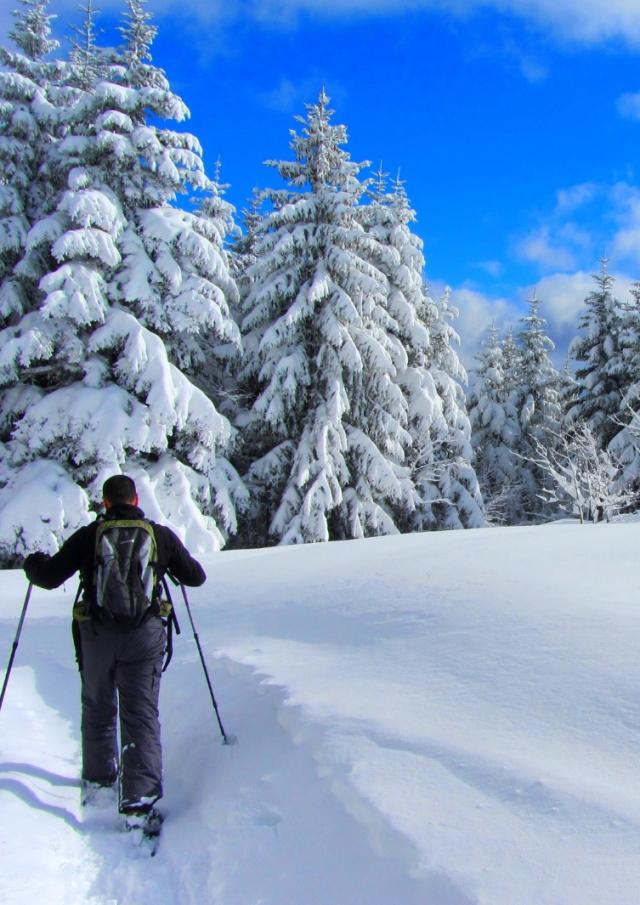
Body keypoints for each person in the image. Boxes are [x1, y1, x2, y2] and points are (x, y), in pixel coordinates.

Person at [24, 474, 206, 824]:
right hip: (144, 635)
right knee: (140, 713)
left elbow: (48, 578)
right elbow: (196, 577)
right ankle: (139, 802)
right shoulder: (159, 536)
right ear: (136, 501)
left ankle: (99, 781)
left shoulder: (90, 536)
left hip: (96, 635)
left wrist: (34, 564)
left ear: (105, 502)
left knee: (97, 705)